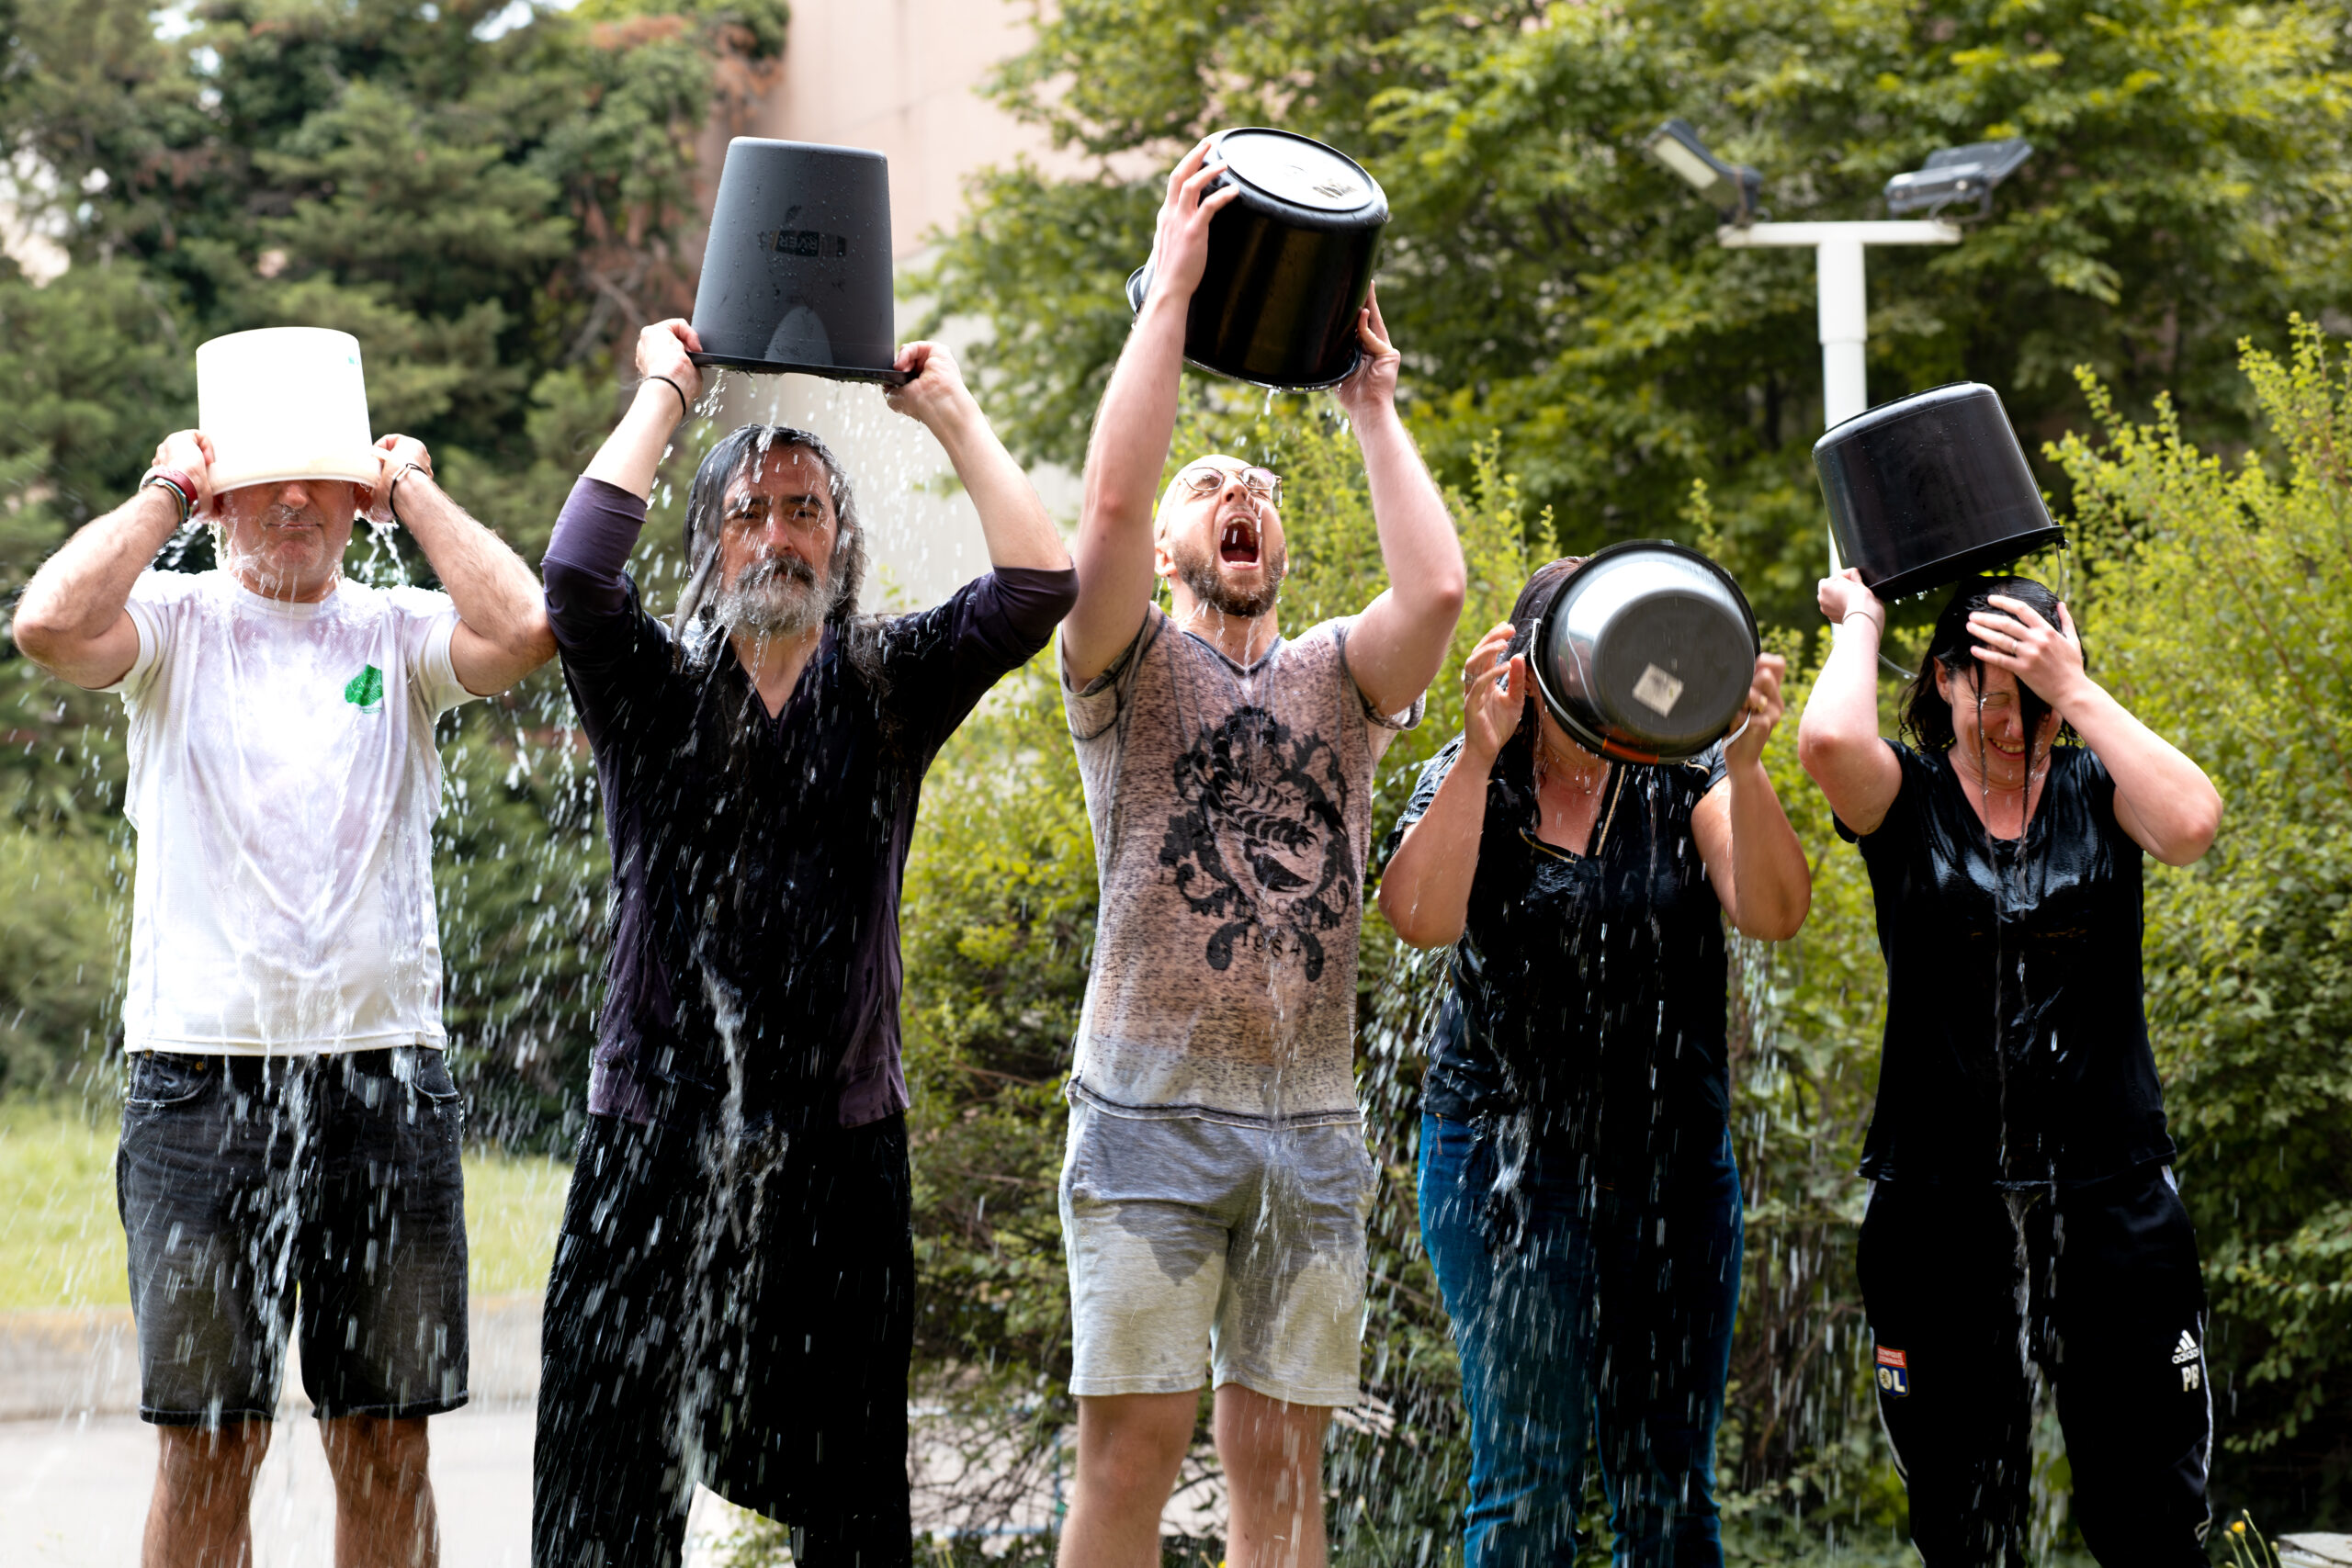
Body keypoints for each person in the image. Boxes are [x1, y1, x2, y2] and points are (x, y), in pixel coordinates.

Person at [530, 318, 1075, 1567]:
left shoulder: (889, 682)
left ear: (841, 541)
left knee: (850, 1499)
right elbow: (571, 578)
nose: (778, 533)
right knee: (604, 1490)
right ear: (709, 545)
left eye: (805, 509)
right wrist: (670, 391)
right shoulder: (653, 684)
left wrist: (947, 410)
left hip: (840, 1149)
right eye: (749, 511)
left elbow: (1040, 586)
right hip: (652, 1136)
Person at [10, 407, 553, 1567]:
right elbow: (48, 626)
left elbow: (524, 630)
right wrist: (163, 488)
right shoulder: (173, 621)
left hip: (388, 1083)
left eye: (321, 480)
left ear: (357, 498)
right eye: (263, 482)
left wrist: (415, 492)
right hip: (197, 1087)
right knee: (207, 1447)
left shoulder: (401, 631)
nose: (294, 503)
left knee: (386, 1445)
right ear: (218, 500)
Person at [1054, 136, 1466, 1568]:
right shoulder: (1124, 665)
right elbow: (1104, 510)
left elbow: (1441, 585)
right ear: (1177, 535)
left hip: (1312, 1126)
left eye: (1265, 488)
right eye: (1212, 483)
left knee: (1285, 1482)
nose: (1242, 496)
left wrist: (1371, 403)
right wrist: (1169, 292)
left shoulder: (1345, 675)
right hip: (1146, 1118)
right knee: (1127, 1465)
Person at [1378, 559, 1811, 1566]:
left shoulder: (1684, 767)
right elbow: (1420, 920)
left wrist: (1746, 764)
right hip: (1500, 1163)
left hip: (1671, 1165)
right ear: (1532, 669)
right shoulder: (1474, 771)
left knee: (1667, 1494)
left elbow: (1773, 911)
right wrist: (1480, 758)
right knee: (1525, 1485)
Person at [1795, 570, 2224, 1566]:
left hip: (2111, 1192)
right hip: (1938, 1200)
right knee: (1962, 1518)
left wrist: (2072, 688)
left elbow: (2194, 825)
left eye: (2035, 699)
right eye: (1993, 695)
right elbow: (1823, 744)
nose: (2014, 723)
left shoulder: (2099, 789)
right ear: (1944, 680)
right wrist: (1861, 620)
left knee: (2153, 1508)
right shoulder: (1906, 798)